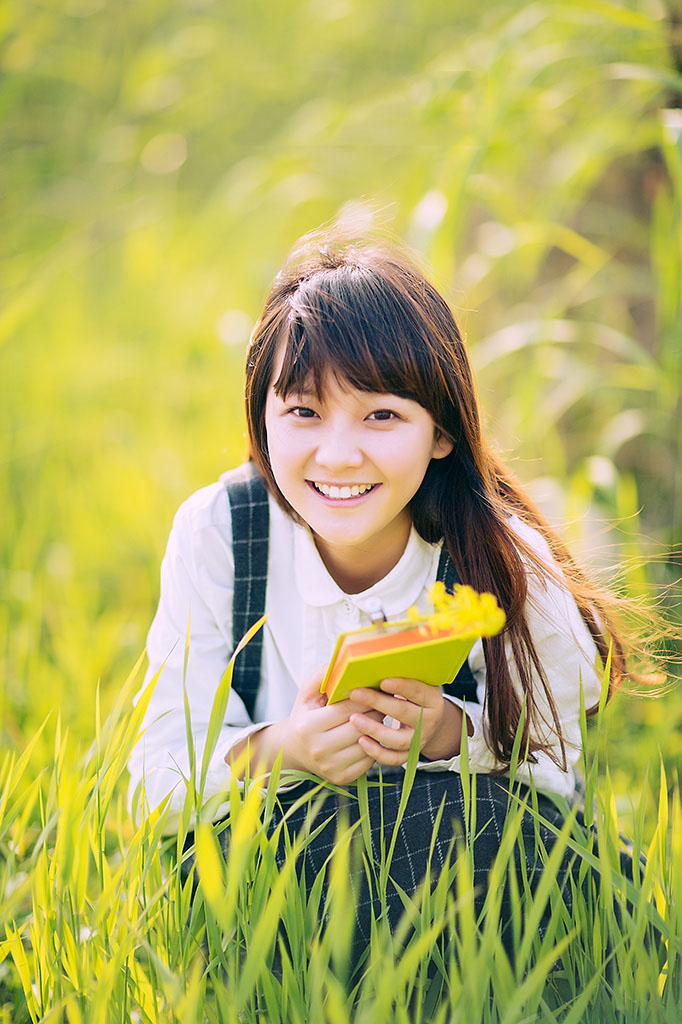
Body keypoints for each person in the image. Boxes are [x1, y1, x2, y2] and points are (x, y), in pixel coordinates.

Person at [128, 228, 630, 955]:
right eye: (303, 411)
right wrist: (285, 749)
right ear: (260, 418)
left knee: (478, 844)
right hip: (282, 863)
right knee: (249, 872)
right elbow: (153, 783)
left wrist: (448, 736)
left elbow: (558, 776)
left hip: (465, 876)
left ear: (442, 433)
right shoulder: (221, 532)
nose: (338, 454)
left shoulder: (500, 556)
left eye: (381, 415)